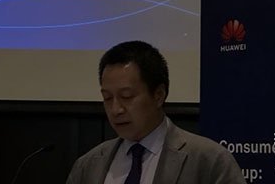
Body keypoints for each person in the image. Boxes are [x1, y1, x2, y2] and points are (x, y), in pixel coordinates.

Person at [66, 40, 246, 184]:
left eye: (127, 96)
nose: (116, 109)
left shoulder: (208, 161)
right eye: (107, 98)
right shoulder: (88, 166)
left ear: (159, 95)